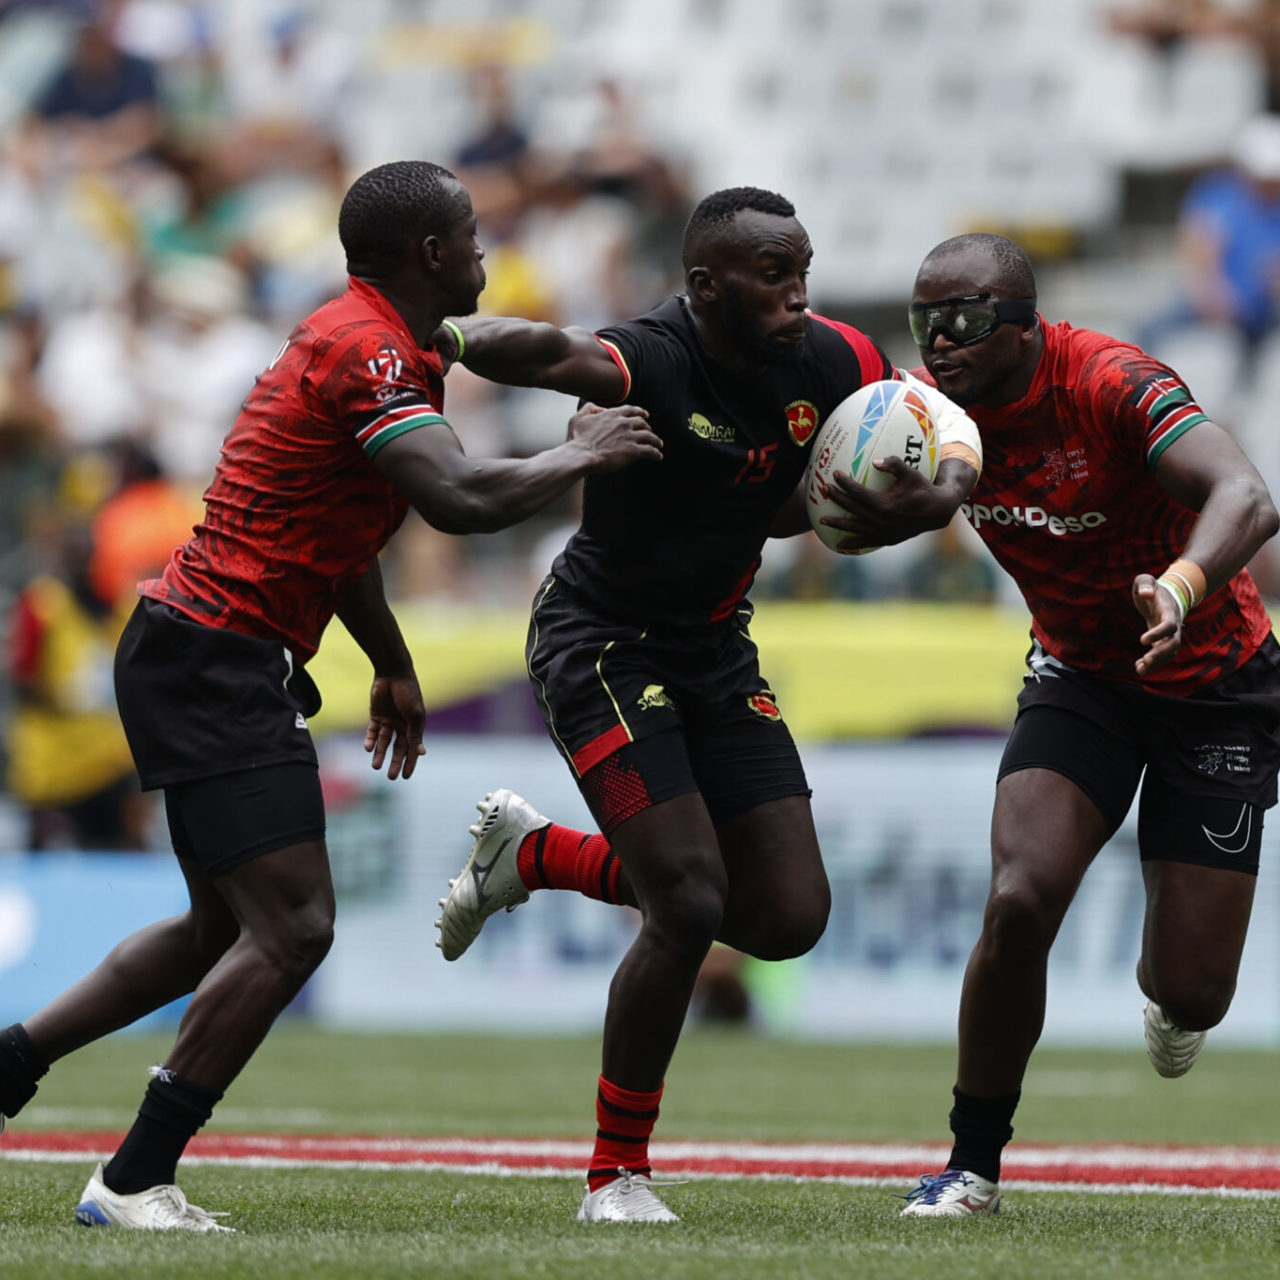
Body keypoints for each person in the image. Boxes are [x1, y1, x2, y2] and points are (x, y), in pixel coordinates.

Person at [0, 159, 661, 1232]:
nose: (487, 252)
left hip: (196, 645)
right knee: (295, 924)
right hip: (214, 654)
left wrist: (389, 658)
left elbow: (344, 521)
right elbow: (453, 495)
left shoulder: (369, 339)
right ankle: (131, 1177)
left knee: (220, 926)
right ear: (430, 254)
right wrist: (575, 454)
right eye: (471, 234)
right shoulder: (371, 350)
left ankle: (12, 1063)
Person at [430, 186, 985, 1223]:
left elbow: (944, 425)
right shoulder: (653, 355)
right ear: (703, 285)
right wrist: (443, 332)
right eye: (772, 277)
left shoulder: (831, 359)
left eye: (802, 273)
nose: (795, 296)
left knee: (786, 914)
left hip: (715, 651)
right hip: (598, 640)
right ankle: (615, 1174)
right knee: (683, 901)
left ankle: (535, 854)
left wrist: (943, 493)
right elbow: (546, 350)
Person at [874, 233, 1280, 1217]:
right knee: (1017, 897)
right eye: (927, 321)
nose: (940, 341)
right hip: (1078, 677)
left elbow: (1247, 496)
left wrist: (1182, 585)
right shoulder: (929, 411)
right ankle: (970, 1164)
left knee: (1191, 990)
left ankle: (1170, 994)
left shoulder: (1109, 381)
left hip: (1213, 681)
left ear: (1023, 323)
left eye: (962, 320)